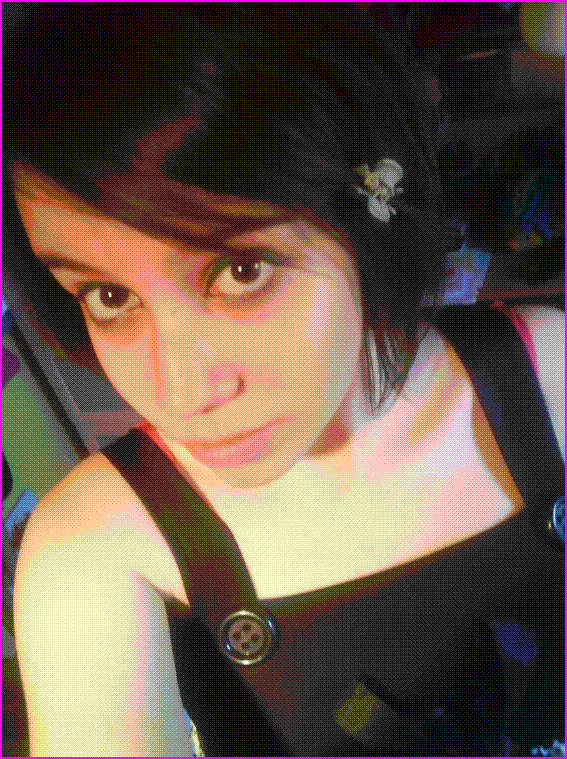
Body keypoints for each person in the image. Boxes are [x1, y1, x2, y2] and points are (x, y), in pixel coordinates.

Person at [3, 4, 564, 756]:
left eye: (241, 270)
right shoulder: (94, 546)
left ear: (368, 217)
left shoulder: (549, 376)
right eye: (108, 295)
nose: (183, 394)